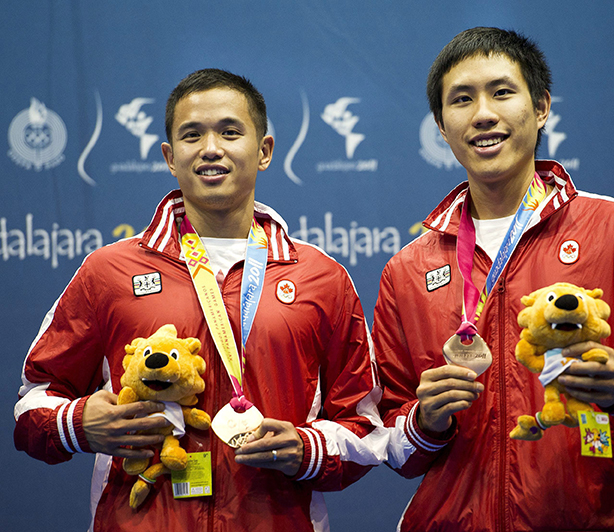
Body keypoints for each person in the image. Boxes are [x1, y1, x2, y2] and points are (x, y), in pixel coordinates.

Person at [14, 68, 387, 532]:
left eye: (230, 132)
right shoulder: (108, 271)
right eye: (192, 135)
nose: (211, 148)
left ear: (264, 151)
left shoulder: (320, 278)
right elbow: (35, 399)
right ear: (171, 157)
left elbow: (367, 423)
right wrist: (76, 423)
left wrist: (306, 450)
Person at [373, 27, 614, 532]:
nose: (483, 113)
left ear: (541, 108)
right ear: (442, 128)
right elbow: (388, 440)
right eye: (461, 100)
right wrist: (425, 422)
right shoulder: (409, 267)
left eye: (502, 92)